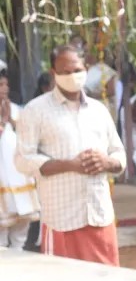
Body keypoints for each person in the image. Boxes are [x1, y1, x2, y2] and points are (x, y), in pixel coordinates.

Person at [15, 45, 126, 264]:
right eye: (64, 72)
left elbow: (119, 153)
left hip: (99, 216)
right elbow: (22, 159)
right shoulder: (35, 110)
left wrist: (106, 162)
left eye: (76, 70)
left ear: (85, 68)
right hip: (62, 219)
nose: (71, 76)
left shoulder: (98, 110)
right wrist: (70, 165)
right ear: (53, 73)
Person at [0, 68, 39, 248]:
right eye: (1, 85)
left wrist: (9, 119)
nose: (5, 88)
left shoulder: (15, 109)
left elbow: (26, 136)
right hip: (2, 176)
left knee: (20, 230)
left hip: (18, 174)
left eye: (6, 84)